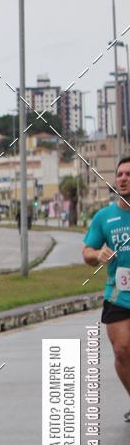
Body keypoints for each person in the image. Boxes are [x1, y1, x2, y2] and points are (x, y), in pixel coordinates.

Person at [82, 156, 130, 422]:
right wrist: (96, 254)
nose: (123, 178)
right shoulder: (104, 217)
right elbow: (87, 252)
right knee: (122, 350)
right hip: (118, 295)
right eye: (120, 174)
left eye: (128, 174)